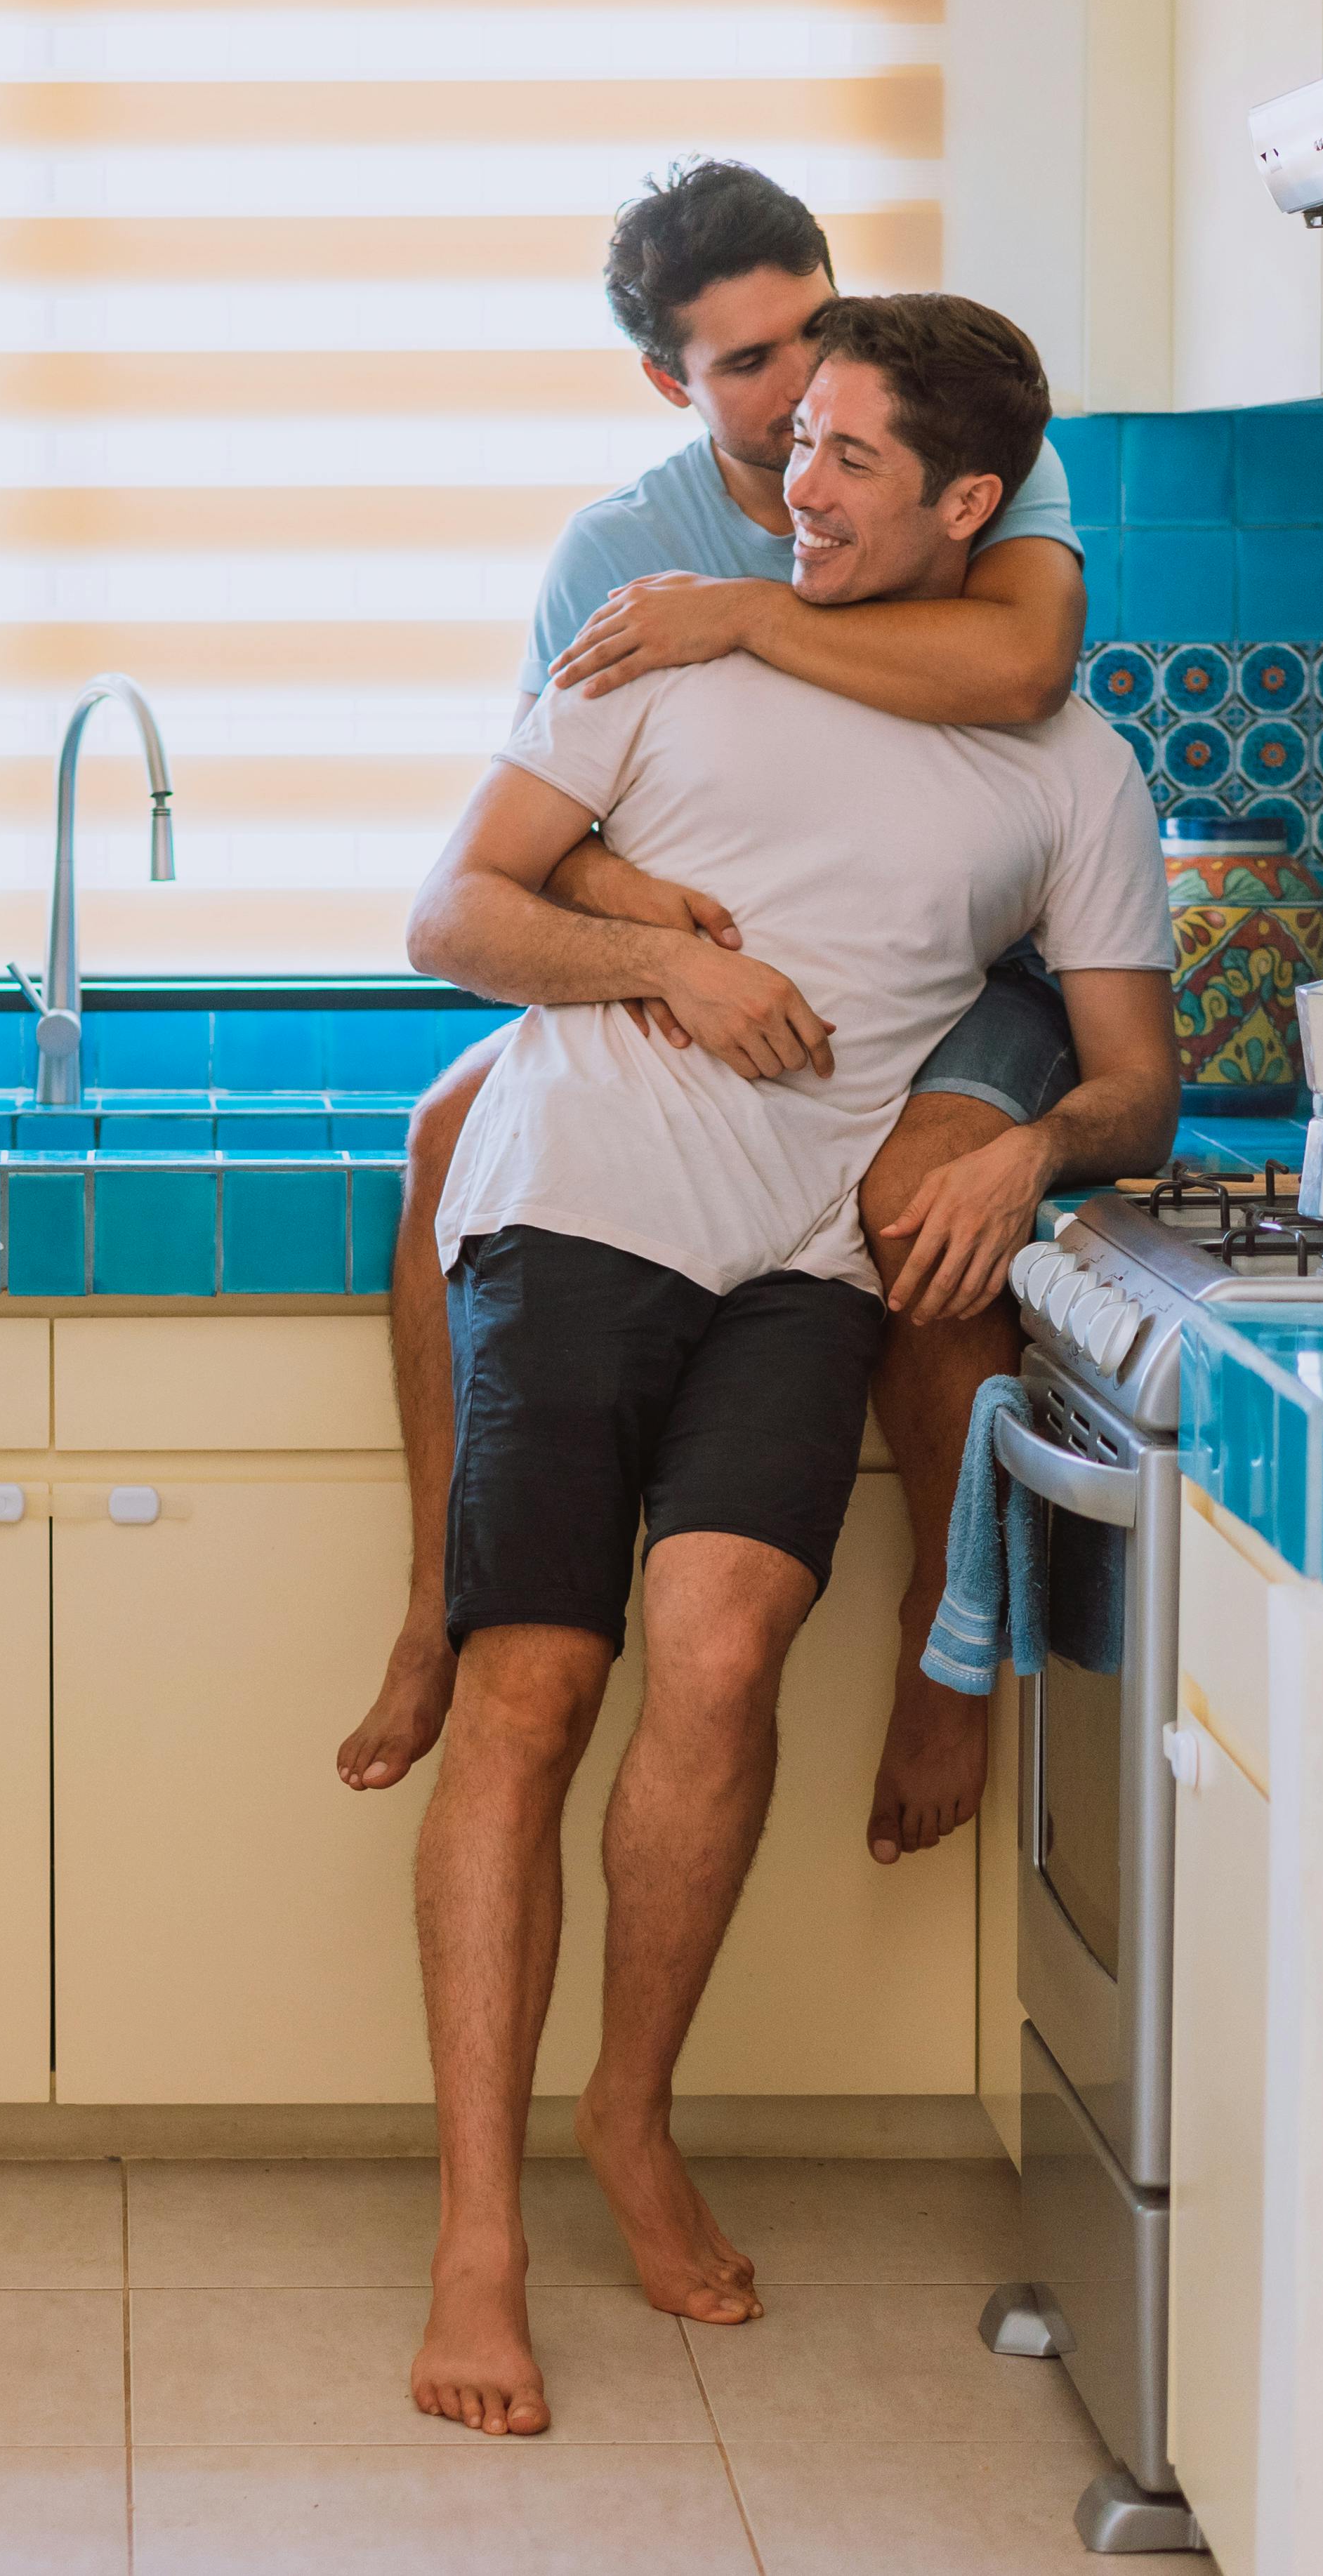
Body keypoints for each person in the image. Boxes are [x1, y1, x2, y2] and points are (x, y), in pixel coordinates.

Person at [393, 297, 1181, 2436]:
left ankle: (628, 2123)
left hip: (808, 1256)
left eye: (843, 456)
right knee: (532, 1686)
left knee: (720, 1651)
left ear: (967, 504)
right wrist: (663, 963)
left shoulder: (1068, 760)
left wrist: (1025, 1140)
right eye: (792, 440)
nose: (793, 482)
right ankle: (479, 2233)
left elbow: (1136, 1084)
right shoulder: (656, 653)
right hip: (580, 1208)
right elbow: (451, 918)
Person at [335, 163, 1105, 1870]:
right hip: (749, 972)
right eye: (745, 362)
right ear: (669, 384)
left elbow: (1023, 670)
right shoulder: (616, 552)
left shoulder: (960, 461)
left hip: (969, 971)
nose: (793, 388)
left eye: (811, 329)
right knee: (449, 1126)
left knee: (919, 1195)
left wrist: (750, 612)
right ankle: (432, 1608)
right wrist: (667, 941)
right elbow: (551, 839)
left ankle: (945, 1643)